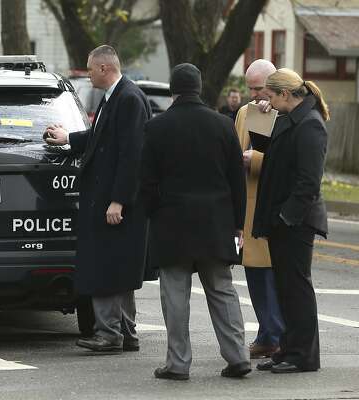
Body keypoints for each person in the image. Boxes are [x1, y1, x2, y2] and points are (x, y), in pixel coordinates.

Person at [141, 63, 250, 380]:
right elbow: (236, 180)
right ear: (199, 88)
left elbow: (146, 181)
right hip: (216, 222)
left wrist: (154, 213)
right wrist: (238, 222)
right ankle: (238, 356)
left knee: (175, 294)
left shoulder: (157, 127)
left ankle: (178, 363)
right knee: (222, 290)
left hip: (172, 222)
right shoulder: (222, 125)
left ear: (173, 90)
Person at [44, 45, 151, 353]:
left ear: (105, 69)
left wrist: (119, 200)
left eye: (90, 69)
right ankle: (125, 333)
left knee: (106, 267)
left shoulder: (128, 99)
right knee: (119, 269)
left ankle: (109, 334)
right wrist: (69, 139)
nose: (88, 74)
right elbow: (102, 138)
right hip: (107, 200)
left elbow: (132, 154)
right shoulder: (116, 97)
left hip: (113, 202)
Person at [253, 68, 329, 374]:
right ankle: (287, 348)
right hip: (280, 218)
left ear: (285, 94)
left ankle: (304, 355)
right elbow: (263, 150)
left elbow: (309, 182)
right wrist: (262, 116)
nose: (266, 100)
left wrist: (286, 217)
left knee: (297, 288)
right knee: (285, 288)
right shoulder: (288, 118)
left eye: (270, 96)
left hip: (296, 221)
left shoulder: (311, 125)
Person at [235, 59, 285, 359]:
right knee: (254, 275)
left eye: (259, 88)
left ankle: (275, 334)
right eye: (250, 88)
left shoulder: (283, 114)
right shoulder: (243, 112)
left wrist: (251, 159)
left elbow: (283, 164)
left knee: (269, 276)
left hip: (269, 207)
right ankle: (267, 333)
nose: (254, 95)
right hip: (246, 207)